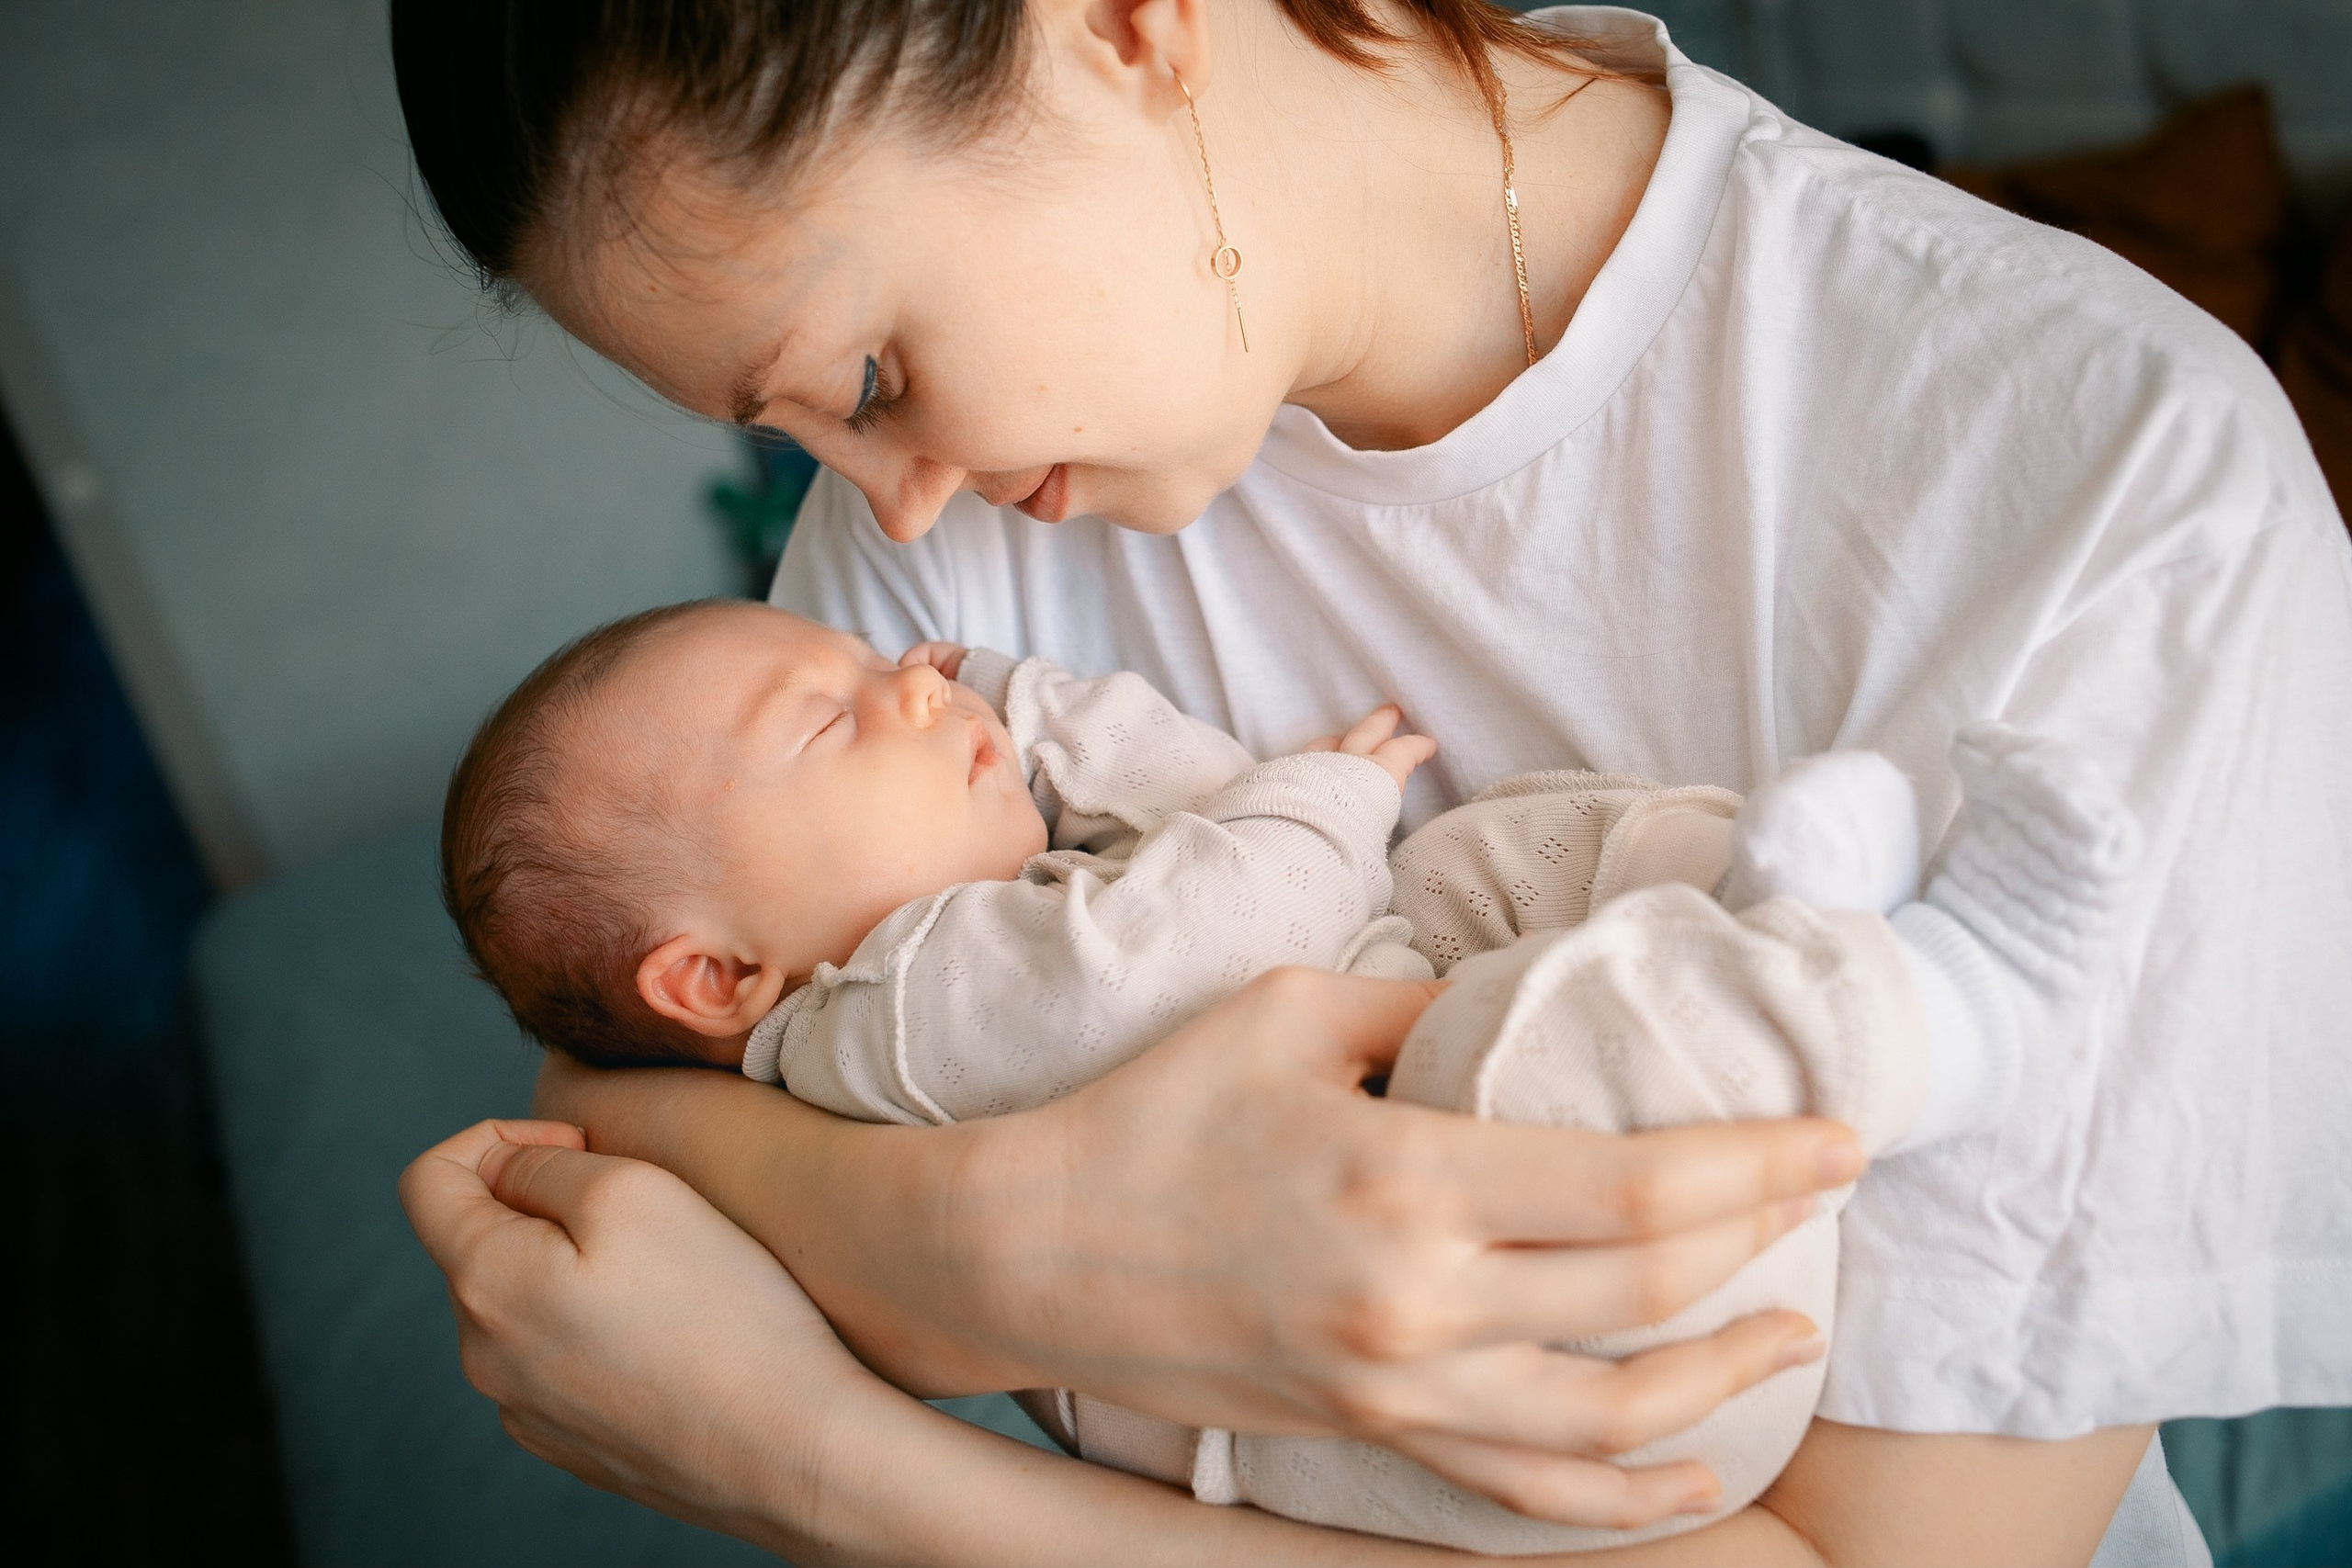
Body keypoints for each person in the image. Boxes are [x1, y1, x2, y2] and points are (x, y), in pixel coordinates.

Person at [390, 0, 2352, 1562]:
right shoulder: (941, 550)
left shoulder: (2113, 486)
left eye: (875, 375)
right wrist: (1047, 1235)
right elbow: (636, 1087)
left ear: (1125, 24)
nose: (873, 492)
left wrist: (813, 1453)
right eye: (802, 419)